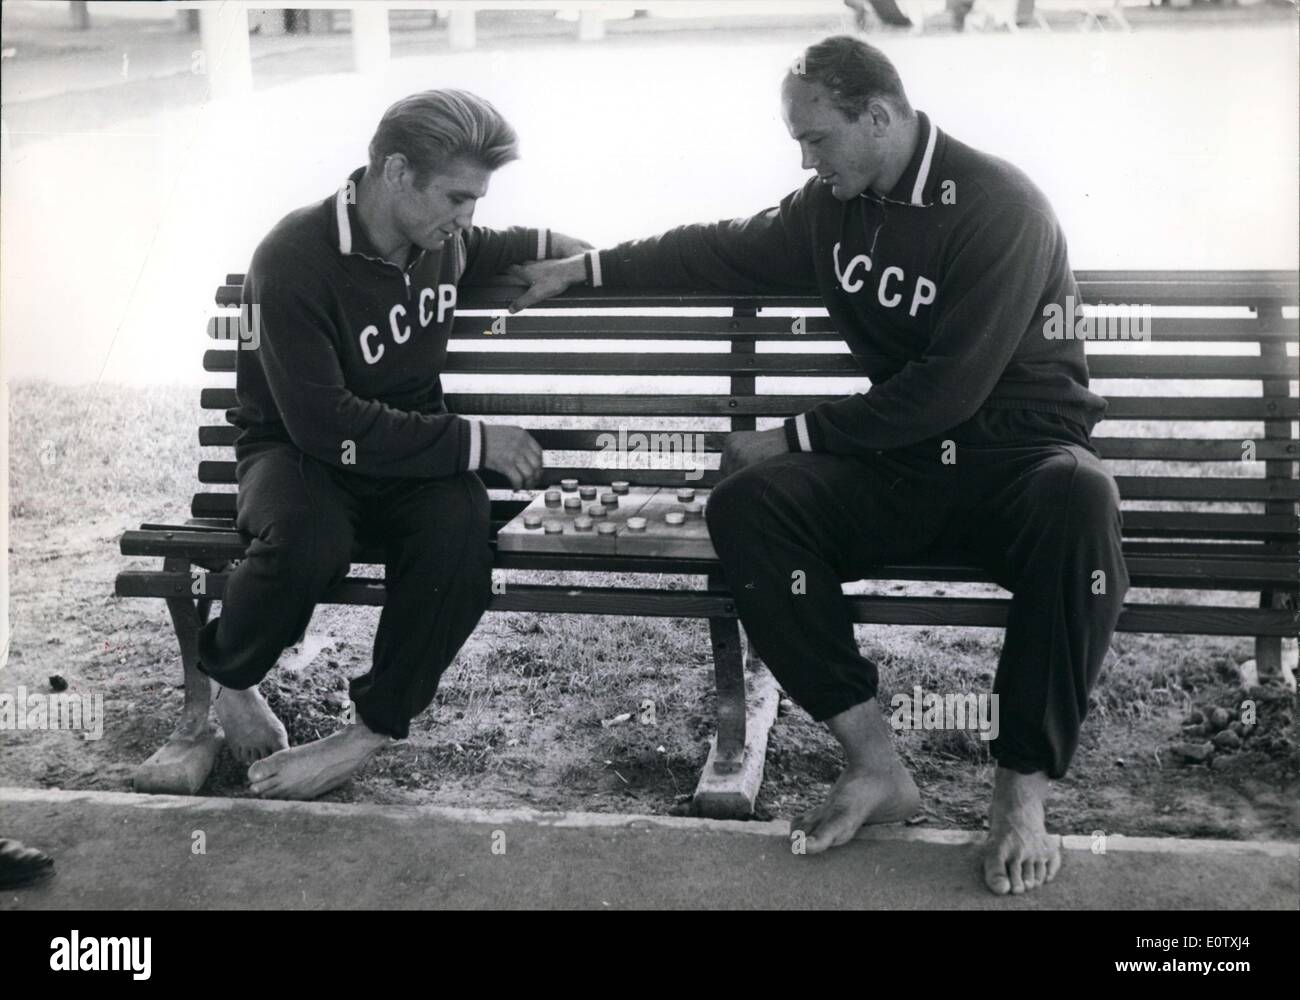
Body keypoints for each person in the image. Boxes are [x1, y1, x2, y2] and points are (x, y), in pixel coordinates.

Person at [504, 37, 1128, 896]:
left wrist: (794, 434)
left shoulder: (999, 206)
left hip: (1020, 462)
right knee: (750, 507)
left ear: (878, 117)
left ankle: (1021, 796)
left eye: (817, 137)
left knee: (1081, 498)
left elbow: (948, 388)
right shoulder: (833, 206)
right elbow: (719, 246)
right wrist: (588, 267)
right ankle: (876, 767)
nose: (804, 158)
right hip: (907, 465)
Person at [196, 89, 590, 800]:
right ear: (397, 172)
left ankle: (370, 731)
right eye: (457, 197)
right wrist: (476, 441)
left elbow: (543, 245)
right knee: (309, 536)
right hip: (299, 451)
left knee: (460, 529)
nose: (469, 218)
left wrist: (580, 262)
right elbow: (326, 425)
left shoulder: (446, 239)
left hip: (408, 453)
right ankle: (231, 680)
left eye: (477, 200)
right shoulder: (293, 257)